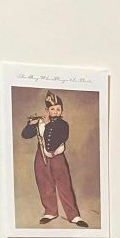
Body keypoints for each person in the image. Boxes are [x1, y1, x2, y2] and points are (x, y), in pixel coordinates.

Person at [20, 91, 89, 228]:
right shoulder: (40, 122)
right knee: (44, 183)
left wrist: (46, 125)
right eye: (52, 109)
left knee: (64, 185)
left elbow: (57, 139)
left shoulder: (63, 124)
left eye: (58, 109)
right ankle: (50, 212)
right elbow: (25, 135)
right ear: (47, 110)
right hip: (41, 156)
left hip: (57, 156)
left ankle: (73, 215)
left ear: (62, 110)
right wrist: (31, 124)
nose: (56, 111)